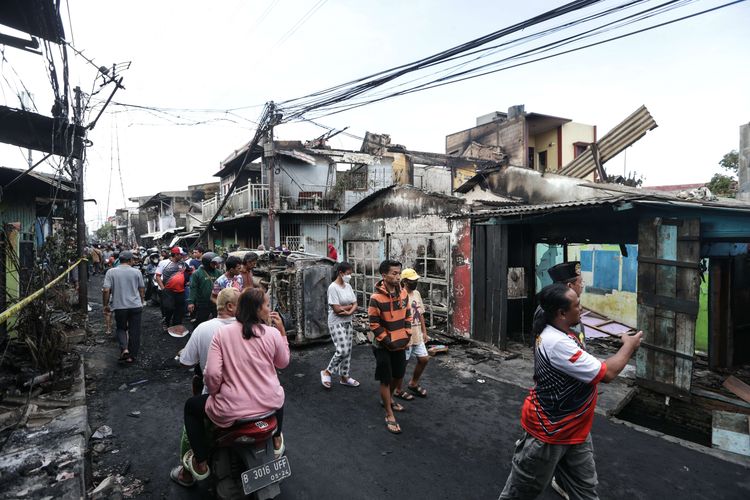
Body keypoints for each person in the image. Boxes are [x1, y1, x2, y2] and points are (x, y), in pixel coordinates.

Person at [497, 283, 643, 499]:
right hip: (549, 432)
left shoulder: (560, 326)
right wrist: (629, 346)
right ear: (561, 313)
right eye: (577, 305)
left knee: (586, 492)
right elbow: (608, 374)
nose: (582, 308)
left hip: (575, 429)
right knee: (520, 493)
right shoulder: (555, 342)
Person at [180, 288, 290, 484]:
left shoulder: (222, 334)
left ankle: (201, 462)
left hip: (232, 409)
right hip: (269, 404)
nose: (269, 309)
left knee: (191, 407)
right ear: (256, 309)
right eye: (266, 305)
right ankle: (276, 439)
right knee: (278, 394)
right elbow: (283, 363)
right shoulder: (272, 333)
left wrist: (214, 393)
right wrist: (282, 333)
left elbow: (212, 374)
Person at [170, 288, 240, 487]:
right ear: (230, 306)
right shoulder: (249, 327)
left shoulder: (204, 329)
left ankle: (190, 471)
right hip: (254, 394)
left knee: (191, 413)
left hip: (222, 397)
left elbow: (191, 364)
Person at [369, 259, 411, 435]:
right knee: (386, 379)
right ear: (384, 275)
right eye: (394, 273)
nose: (397, 276)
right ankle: (389, 413)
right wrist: (388, 341)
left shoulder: (403, 294)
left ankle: (388, 398)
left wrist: (407, 334)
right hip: (383, 345)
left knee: (398, 375)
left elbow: (408, 316)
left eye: (399, 273)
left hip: (400, 343)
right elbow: (374, 324)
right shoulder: (375, 298)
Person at [320, 262, 359, 389]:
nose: (350, 276)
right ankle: (327, 371)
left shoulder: (348, 286)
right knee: (342, 350)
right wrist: (350, 308)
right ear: (341, 273)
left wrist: (349, 311)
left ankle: (344, 376)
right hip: (336, 322)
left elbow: (355, 304)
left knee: (348, 351)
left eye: (350, 274)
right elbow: (336, 310)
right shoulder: (333, 288)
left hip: (348, 321)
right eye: (348, 274)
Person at [393, 268, 430, 401]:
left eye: (416, 281)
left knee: (424, 359)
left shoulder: (417, 294)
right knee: (403, 364)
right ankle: (397, 389)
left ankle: (413, 383)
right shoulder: (400, 295)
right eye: (412, 281)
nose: (415, 283)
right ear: (404, 282)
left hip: (417, 334)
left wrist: (424, 332)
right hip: (405, 336)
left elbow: (420, 314)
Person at [102, 251, 145, 364]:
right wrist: (142, 300)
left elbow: (106, 290)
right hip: (135, 306)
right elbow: (141, 288)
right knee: (134, 330)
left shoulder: (110, 272)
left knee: (121, 328)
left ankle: (124, 349)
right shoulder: (137, 272)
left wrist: (105, 304)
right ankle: (131, 356)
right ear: (130, 260)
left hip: (119, 306)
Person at [156, 247, 188, 332]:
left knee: (180, 310)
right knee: (169, 308)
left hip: (180, 291)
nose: (182, 256)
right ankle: (166, 322)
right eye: (181, 255)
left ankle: (176, 326)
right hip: (168, 291)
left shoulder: (183, 263)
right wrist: (163, 289)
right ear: (176, 255)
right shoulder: (164, 263)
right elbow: (158, 276)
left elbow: (189, 272)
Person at [187, 252, 222, 327]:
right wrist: (191, 302)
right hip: (202, 303)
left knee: (218, 321)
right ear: (207, 263)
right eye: (213, 263)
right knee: (200, 321)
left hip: (215, 302)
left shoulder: (219, 273)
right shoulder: (197, 273)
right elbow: (193, 288)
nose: (216, 264)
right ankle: (196, 335)